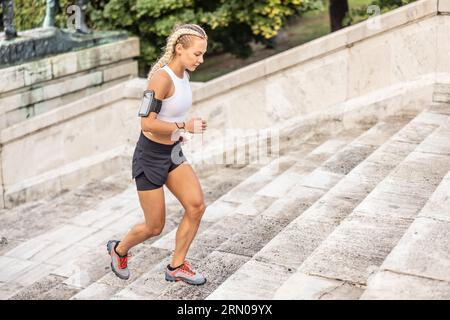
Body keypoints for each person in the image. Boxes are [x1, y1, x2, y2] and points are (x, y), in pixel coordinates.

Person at [107, 24, 209, 286]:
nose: (201, 59)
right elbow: (146, 124)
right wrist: (184, 126)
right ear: (179, 49)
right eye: (197, 54)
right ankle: (119, 250)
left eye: (202, 54)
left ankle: (176, 266)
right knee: (154, 227)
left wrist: (179, 132)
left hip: (172, 153)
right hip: (149, 156)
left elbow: (171, 115)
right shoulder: (160, 80)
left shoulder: (184, 74)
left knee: (196, 206)